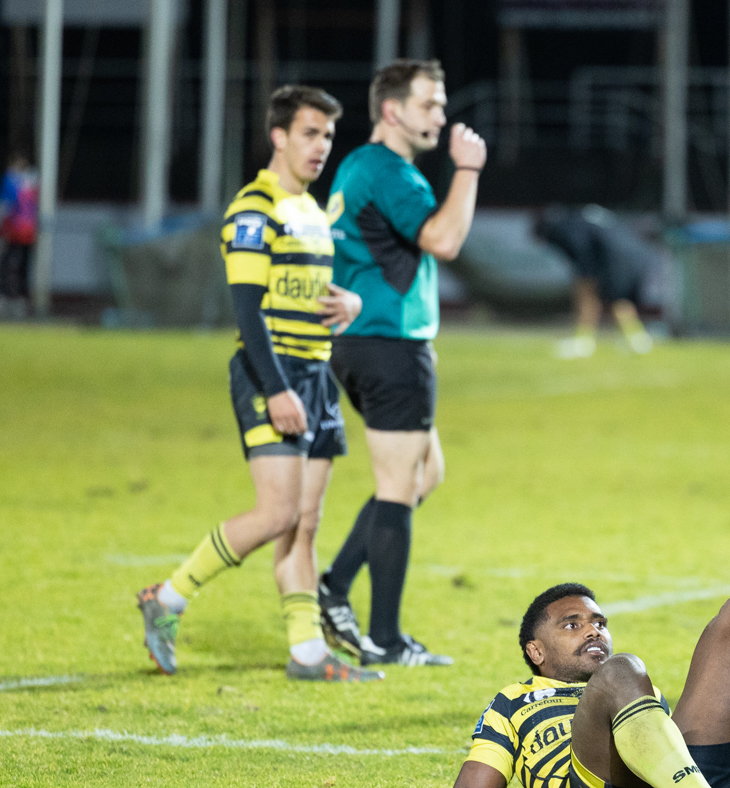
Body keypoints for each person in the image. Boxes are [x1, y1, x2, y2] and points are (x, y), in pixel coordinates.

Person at [135, 86, 380, 682]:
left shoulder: (314, 214)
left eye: (327, 135)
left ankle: (307, 653)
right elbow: (246, 309)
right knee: (276, 514)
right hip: (271, 374)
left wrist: (349, 301)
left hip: (316, 375)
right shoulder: (256, 208)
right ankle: (167, 598)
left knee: (305, 523)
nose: (320, 146)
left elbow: (315, 293)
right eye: (309, 134)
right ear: (278, 136)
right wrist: (275, 388)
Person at [447, 482, 730, 788]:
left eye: (599, 622)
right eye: (571, 625)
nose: (593, 631)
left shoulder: (637, 693)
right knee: (621, 671)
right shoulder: (513, 702)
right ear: (535, 650)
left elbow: (678, 778)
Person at [316, 59, 486, 667]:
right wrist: (467, 171)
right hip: (390, 345)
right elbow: (443, 239)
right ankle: (385, 640)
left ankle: (333, 587)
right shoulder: (392, 174)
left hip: (364, 341)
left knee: (423, 474)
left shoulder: (359, 166)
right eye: (429, 105)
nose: (440, 116)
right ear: (392, 111)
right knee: (397, 487)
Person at [536, 204, 654, 359]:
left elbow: (583, 255)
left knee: (590, 293)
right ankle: (637, 340)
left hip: (616, 258)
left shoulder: (565, 228)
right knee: (619, 300)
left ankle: (583, 342)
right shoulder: (582, 218)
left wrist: (585, 283)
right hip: (637, 255)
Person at [0, 151, 38, 318]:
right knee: (23, 267)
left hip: (13, 232)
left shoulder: (11, 181)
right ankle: (22, 301)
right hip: (29, 233)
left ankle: (9, 299)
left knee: (8, 266)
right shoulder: (33, 182)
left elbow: (6, 206)